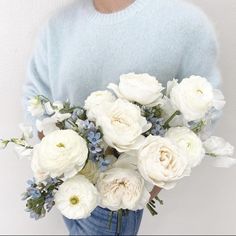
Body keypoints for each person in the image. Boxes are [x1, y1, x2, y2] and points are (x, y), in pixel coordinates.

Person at [22, 0, 221, 235]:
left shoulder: (184, 21)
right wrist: (52, 158)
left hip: (115, 195)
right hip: (67, 188)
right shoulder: (58, 25)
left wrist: (154, 177)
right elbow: (35, 96)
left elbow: (208, 106)